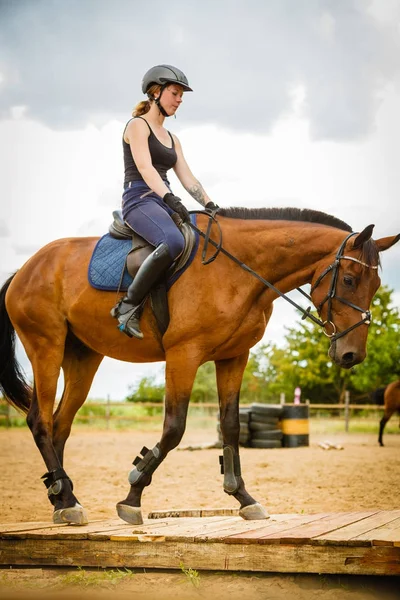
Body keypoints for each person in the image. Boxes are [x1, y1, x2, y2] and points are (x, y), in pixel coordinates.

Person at [111, 64, 218, 339]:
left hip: (162, 200)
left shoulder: (173, 139)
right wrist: (170, 198)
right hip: (138, 199)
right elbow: (145, 169)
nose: (179, 100)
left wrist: (209, 203)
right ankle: (127, 306)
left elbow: (187, 177)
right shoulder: (137, 126)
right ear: (156, 93)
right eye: (175, 93)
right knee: (173, 241)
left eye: (182, 95)